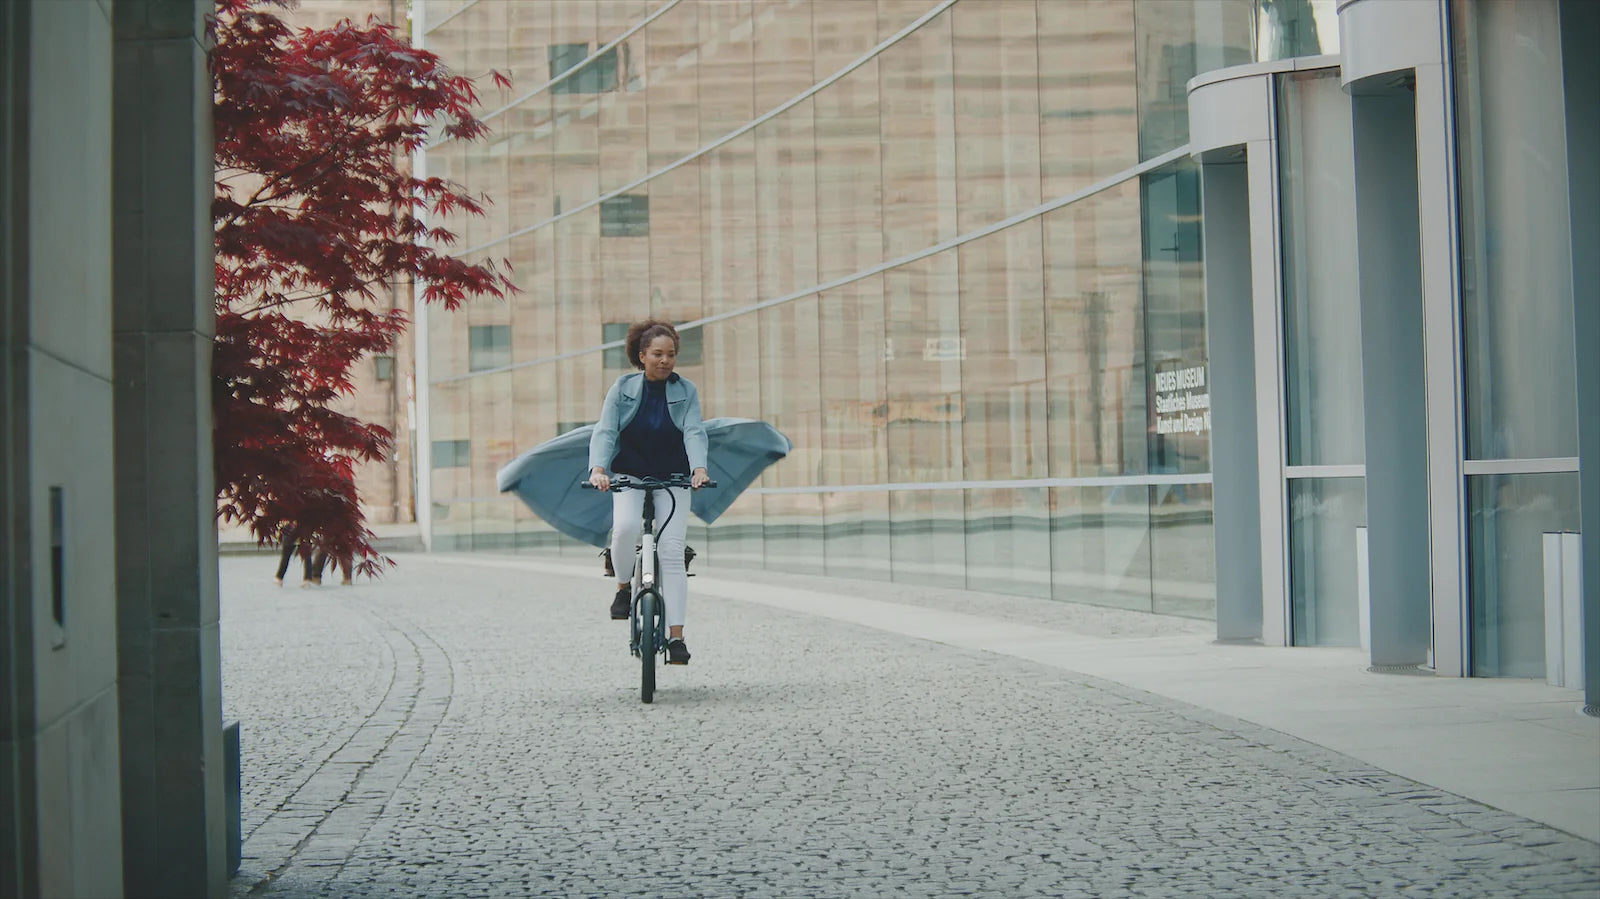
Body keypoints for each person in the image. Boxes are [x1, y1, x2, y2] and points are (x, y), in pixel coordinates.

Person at [588, 320, 710, 665]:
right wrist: (598, 469)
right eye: (657, 354)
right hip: (630, 474)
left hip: (673, 477)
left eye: (671, 354)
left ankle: (676, 638)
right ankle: (624, 589)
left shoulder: (686, 390)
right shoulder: (622, 387)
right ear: (642, 356)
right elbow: (606, 430)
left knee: (671, 551)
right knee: (625, 529)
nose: (665, 360)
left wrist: (699, 469)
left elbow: (694, 432)